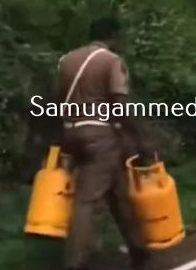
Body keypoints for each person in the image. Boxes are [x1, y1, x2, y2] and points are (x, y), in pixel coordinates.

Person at [57, 17, 151, 270]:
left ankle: (139, 250)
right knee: (88, 201)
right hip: (99, 136)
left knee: (119, 193)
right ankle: (75, 263)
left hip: (71, 133)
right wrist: (139, 137)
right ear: (113, 37)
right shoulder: (111, 61)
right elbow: (120, 107)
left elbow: (60, 99)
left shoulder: (67, 60)